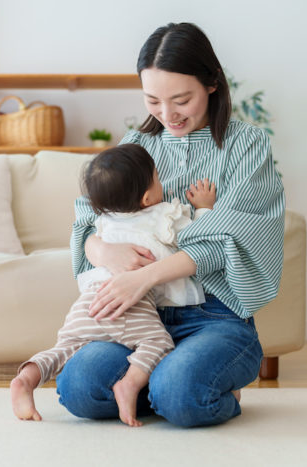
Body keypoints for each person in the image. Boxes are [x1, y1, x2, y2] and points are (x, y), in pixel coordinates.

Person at [56, 22, 285, 427]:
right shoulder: (138, 142)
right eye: (153, 101)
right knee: (78, 387)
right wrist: (104, 250)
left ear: (212, 83)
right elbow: (90, 221)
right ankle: (162, 385)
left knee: (180, 395)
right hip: (140, 318)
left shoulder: (247, 145)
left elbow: (227, 238)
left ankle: (179, 388)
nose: (167, 115)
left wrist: (142, 278)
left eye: (181, 100)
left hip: (214, 316)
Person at [10, 143, 217, 427]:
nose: (162, 184)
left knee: (67, 346)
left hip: (89, 301)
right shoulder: (164, 215)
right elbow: (198, 239)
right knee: (158, 342)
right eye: (158, 178)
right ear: (146, 198)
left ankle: (27, 377)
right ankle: (129, 384)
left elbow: (86, 241)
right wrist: (204, 208)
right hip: (129, 302)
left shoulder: (104, 221)